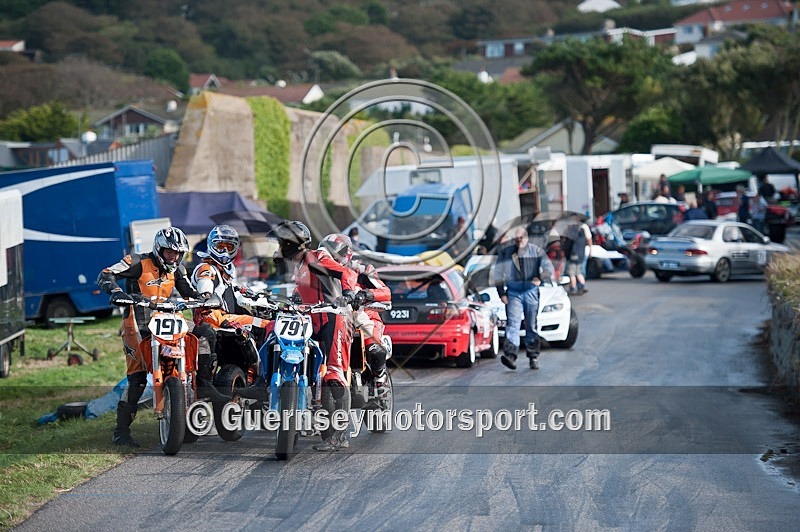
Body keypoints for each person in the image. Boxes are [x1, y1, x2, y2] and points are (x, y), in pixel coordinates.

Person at [97, 227, 201, 447]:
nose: (173, 256)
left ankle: (191, 411)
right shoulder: (136, 262)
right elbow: (106, 273)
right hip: (137, 324)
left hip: (169, 322)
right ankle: (121, 432)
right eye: (169, 252)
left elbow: (190, 292)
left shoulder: (178, 270)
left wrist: (205, 298)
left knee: (201, 341)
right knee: (136, 379)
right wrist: (116, 292)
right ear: (158, 249)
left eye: (177, 253)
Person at [270, 223, 360, 451]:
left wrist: (348, 292)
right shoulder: (299, 266)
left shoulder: (316, 258)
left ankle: (339, 436)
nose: (280, 248)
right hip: (309, 321)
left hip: (332, 319)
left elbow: (346, 273)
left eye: (283, 244)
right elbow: (300, 292)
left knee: (334, 375)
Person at [191, 225, 269, 387]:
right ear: (212, 245)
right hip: (214, 316)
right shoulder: (207, 268)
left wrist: (259, 298)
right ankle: (257, 373)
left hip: (225, 315)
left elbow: (237, 292)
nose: (225, 251)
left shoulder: (226, 271)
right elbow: (205, 282)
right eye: (221, 246)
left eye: (229, 247)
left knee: (260, 319)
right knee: (266, 325)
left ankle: (249, 368)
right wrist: (206, 294)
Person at [492, 226, 555, 371]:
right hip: (514, 292)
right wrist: (501, 293)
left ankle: (533, 356)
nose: (519, 242)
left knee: (531, 324)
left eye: (521, 239)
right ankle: (511, 356)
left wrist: (540, 277)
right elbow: (498, 273)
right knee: (513, 324)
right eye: (516, 239)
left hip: (531, 291)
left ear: (526, 238)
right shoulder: (507, 253)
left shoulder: (536, 251)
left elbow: (548, 269)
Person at [346, 252, 392, 395]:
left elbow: (385, 292)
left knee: (374, 349)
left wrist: (366, 294)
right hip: (335, 319)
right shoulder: (321, 271)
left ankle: (380, 377)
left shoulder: (362, 269)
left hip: (366, 316)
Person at [564, 221, 591, 296]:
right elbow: (588, 240)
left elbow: (567, 245)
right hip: (581, 255)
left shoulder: (571, 234)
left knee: (571, 273)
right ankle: (582, 286)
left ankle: (573, 288)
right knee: (578, 272)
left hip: (573, 255)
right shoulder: (582, 233)